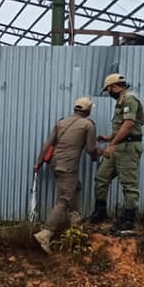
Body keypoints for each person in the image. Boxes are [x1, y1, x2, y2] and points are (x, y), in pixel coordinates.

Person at [32, 97, 99, 254]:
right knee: (64, 198)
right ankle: (45, 233)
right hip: (68, 166)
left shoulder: (61, 123)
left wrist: (38, 163)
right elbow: (91, 149)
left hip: (55, 163)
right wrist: (99, 155)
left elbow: (47, 145)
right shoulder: (88, 125)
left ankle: (75, 226)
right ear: (88, 111)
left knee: (76, 187)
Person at [91, 73, 144, 232]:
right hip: (118, 146)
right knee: (101, 177)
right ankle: (100, 213)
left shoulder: (129, 99)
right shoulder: (121, 101)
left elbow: (128, 125)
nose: (109, 93)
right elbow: (122, 127)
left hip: (128, 148)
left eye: (108, 90)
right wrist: (109, 138)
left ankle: (129, 219)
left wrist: (111, 144)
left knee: (129, 184)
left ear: (114, 87)